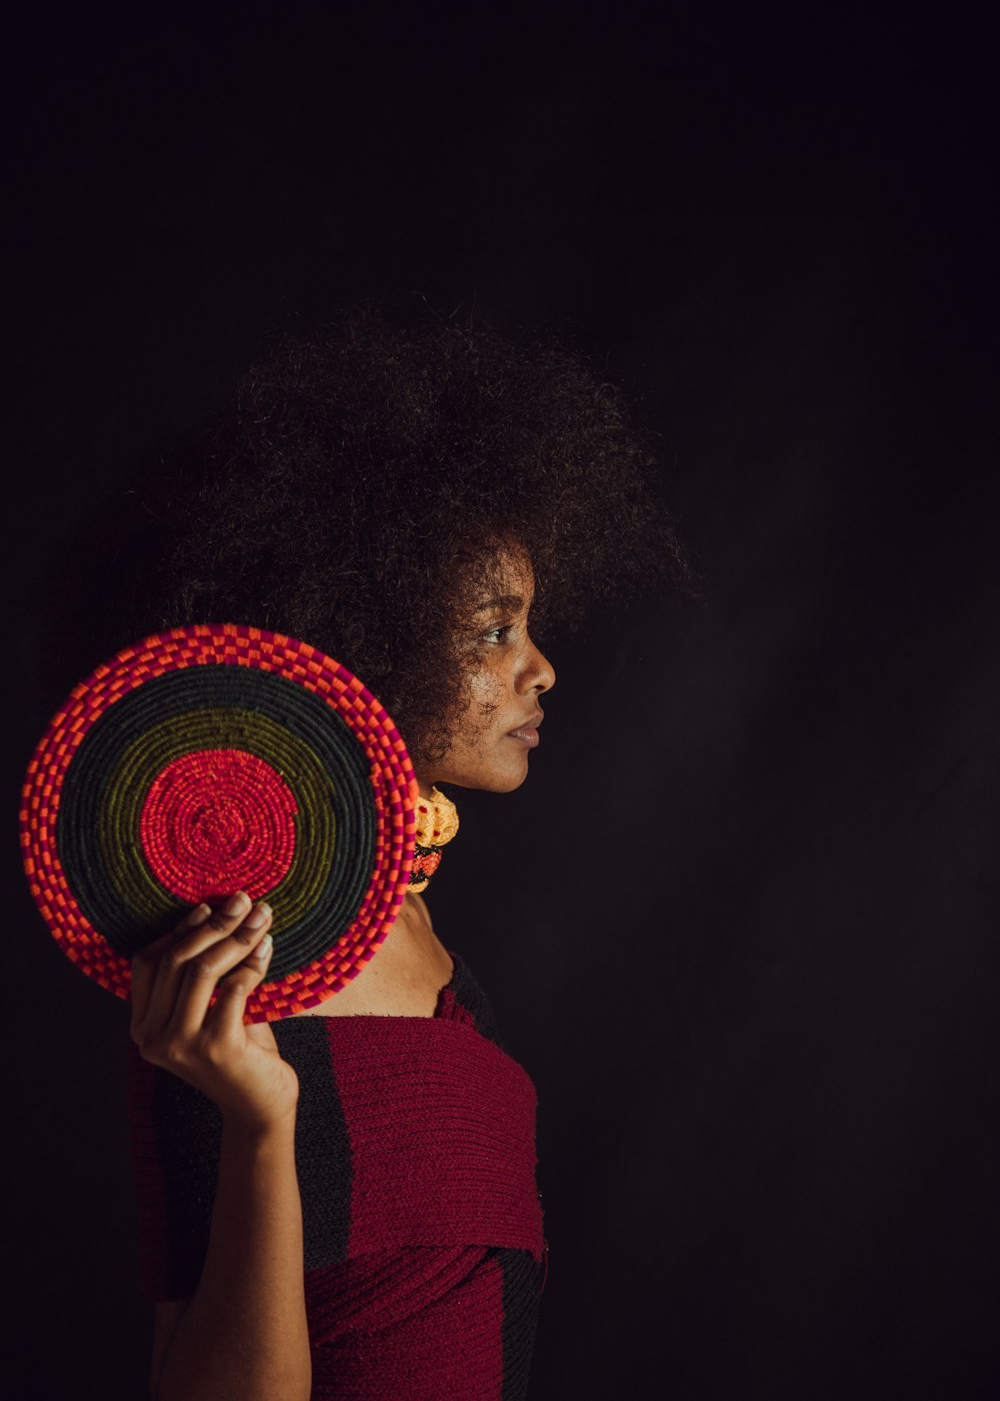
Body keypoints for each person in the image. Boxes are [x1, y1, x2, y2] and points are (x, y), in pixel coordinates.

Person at [123, 308, 691, 1400]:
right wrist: (257, 1119)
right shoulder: (238, 953)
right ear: (362, 633)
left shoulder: (413, 913)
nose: (542, 671)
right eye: (494, 629)